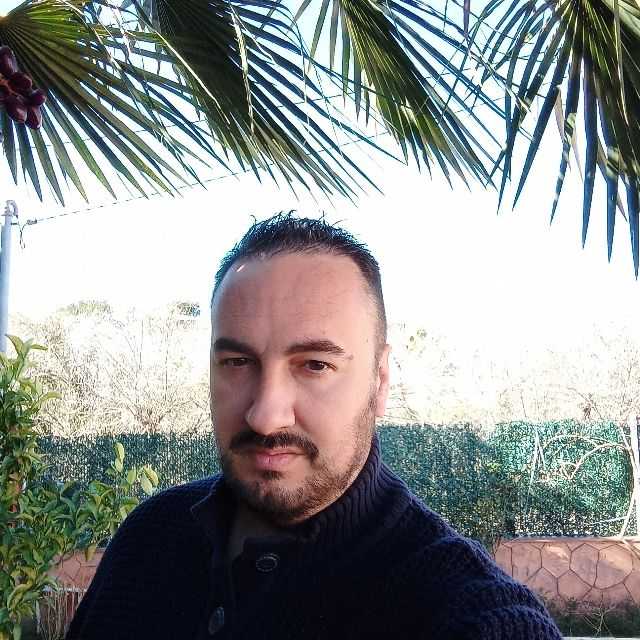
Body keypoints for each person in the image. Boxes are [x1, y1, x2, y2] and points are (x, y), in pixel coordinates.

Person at [67, 213, 562, 639]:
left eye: (315, 365)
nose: (265, 416)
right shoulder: (149, 539)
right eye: (237, 362)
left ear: (380, 381)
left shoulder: (468, 615)